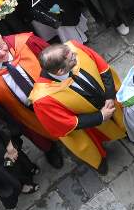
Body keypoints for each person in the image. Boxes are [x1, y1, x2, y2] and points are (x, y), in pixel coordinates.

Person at [0, 31, 65, 168]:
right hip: (23, 112)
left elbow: (57, 59)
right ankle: (50, 149)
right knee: (37, 134)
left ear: (2, 37)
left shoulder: (26, 42)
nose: (2, 53)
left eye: (2, 45)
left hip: (53, 97)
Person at [30, 41, 127, 174]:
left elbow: (103, 69)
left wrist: (110, 96)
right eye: (72, 59)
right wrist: (101, 117)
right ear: (61, 71)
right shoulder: (41, 98)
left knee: (122, 119)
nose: (76, 54)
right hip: (88, 125)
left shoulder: (74, 47)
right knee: (90, 146)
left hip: (107, 99)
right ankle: (99, 161)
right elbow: (65, 123)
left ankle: (126, 131)